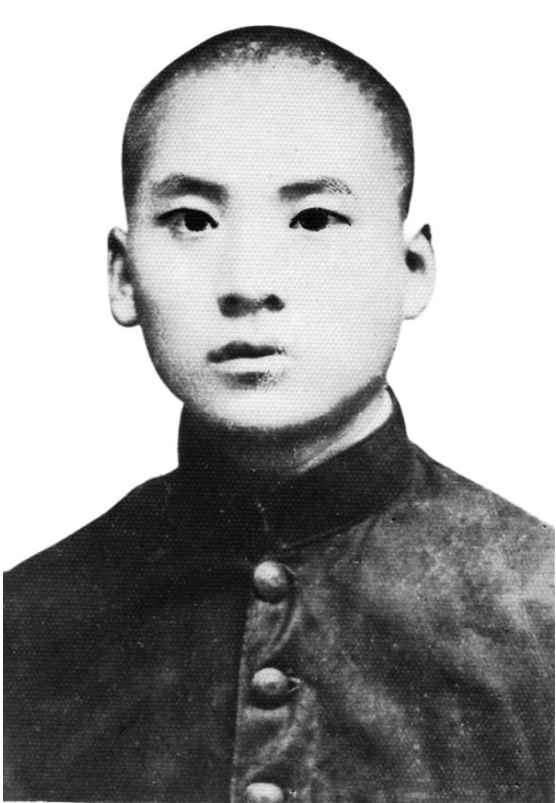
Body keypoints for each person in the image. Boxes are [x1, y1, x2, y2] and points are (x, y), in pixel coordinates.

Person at [4, 25, 553, 803]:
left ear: (412, 269)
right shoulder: (26, 623)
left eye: (314, 219)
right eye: (193, 220)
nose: (250, 282)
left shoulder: (539, 610)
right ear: (123, 276)